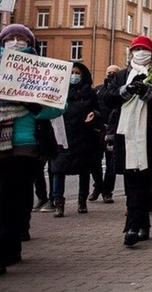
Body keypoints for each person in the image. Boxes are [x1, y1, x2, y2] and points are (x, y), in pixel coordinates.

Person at [0, 25, 64, 277]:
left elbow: (58, 108)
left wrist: (33, 104)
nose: (15, 42)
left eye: (21, 38)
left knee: (9, 199)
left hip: (25, 146)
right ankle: (9, 247)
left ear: (31, 43)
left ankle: (3, 251)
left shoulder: (43, 72)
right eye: (10, 38)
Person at [105, 35, 152, 247]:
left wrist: (149, 92)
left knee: (146, 179)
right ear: (131, 52)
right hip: (126, 135)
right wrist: (125, 91)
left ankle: (137, 225)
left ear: (151, 52)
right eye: (136, 49)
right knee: (132, 179)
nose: (140, 53)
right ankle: (135, 226)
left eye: (144, 49)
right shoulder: (121, 76)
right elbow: (108, 98)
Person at [49, 62, 101, 217]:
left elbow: (98, 110)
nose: (74, 76)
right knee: (58, 170)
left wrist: (95, 115)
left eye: (78, 73)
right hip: (62, 135)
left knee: (83, 170)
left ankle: (82, 201)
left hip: (84, 136)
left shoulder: (89, 93)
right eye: (72, 72)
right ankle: (58, 202)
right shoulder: (59, 90)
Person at [92, 65, 121, 204]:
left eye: (114, 73)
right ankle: (97, 186)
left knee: (111, 164)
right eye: (109, 72)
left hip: (113, 131)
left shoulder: (119, 91)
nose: (111, 75)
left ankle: (107, 192)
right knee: (95, 163)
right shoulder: (98, 90)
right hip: (98, 131)